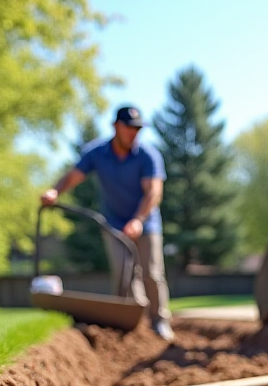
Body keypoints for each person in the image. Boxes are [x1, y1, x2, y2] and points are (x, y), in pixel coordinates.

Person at [42, 106, 173, 340]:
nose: (134, 133)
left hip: (146, 222)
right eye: (129, 128)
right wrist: (55, 192)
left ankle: (160, 322)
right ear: (116, 127)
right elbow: (75, 175)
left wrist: (138, 220)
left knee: (151, 273)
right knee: (124, 274)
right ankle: (134, 326)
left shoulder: (148, 155)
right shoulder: (98, 153)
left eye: (137, 129)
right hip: (113, 224)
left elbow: (153, 192)